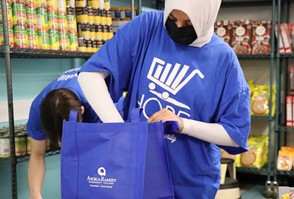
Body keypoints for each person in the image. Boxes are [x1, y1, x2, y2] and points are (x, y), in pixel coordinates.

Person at [78, 0, 251, 198]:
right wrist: (121, 131)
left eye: (188, 23)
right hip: (137, 172)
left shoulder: (224, 60)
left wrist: (183, 124)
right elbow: (90, 75)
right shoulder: (148, 27)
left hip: (190, 182)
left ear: (208, 16)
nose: (177, 27)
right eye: (172, 18)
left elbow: (235, 135)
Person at [26, 67, 121, 199]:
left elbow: (107, 156)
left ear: (82, 111)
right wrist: (35, 194)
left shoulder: (96, 103)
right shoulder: (38, 108)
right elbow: (37, 154)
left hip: (108, 104)